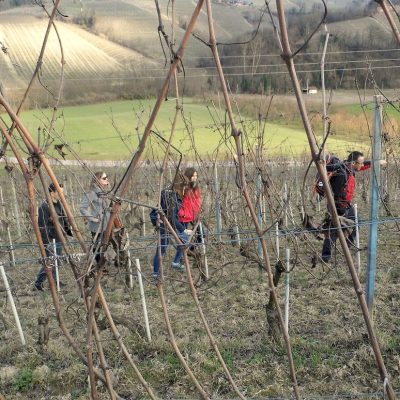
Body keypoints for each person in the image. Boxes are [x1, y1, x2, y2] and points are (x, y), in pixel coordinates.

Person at [321, 151, 387, 262]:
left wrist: (376, 162)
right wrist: (340, 212)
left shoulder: (350, 168)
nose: (361, 166)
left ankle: (346, 245)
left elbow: (364, 164)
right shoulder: (342, 174)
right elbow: (336, 194)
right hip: (337, 207)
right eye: (359, 163)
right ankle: (326, 257)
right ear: (353, 163)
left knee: (356, 224)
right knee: (333, 231)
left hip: (345, 206)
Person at [152, 174, 192, 279]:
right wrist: (183, 230)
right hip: (166, 225)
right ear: (181, 186)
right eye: (185, 186)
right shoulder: (172, 197)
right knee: (162, 248)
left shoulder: (166, 193)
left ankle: (174, 263)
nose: (186, 188)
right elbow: (171, 217)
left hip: (166, 224)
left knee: (182, 241)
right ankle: (156, 274)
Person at [34, 183, 72, 291]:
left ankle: (56, 281)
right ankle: (38, 283)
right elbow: (42, 226)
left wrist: (68, 233)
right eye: (59, 192)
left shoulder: (59, 204)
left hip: (59, 237)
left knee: (57, 261)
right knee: (50, 261)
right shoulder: (44, 207)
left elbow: (64, 219)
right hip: (51, 239)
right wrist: (47, 243)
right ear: (52, 193)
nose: (61, 194)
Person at [80, 172, 111, 265]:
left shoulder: (105, 191)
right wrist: (92, 219)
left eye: (107, 177)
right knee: (97, 245)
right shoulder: (92, 193)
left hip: (107, 223)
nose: (107, 179)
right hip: (97, 225)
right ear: (98, 180)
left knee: (106, 244)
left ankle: (104, 262)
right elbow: (82, 207)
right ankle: (99, 264)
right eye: (104, 178)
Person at [178, 167, 201, 244]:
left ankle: (191, 249)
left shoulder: (196, 187)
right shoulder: (184, 188)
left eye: (196, 175)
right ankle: (186, 251)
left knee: (201, 235)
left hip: (194, 215)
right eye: (193, 176)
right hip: (185, 216)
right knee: (184, 239)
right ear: (188, 176)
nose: (195, 177)